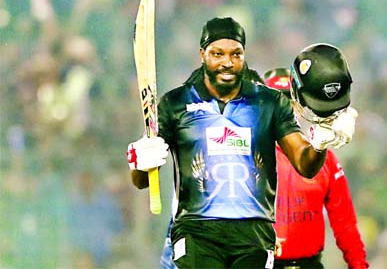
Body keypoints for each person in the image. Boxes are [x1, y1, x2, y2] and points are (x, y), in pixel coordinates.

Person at [126, 17, 355, 268]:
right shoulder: (175, 104)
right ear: (202, 54)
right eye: (217, 54)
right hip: (196, 230)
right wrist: (141, 161)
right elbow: (142, 181)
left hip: (254, 233)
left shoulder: (269, 102)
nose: (227, 62)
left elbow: (305, 164)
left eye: (236, 54)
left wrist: (320, 142)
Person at [263, 62, 368, 268]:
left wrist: (359, 265)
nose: (283, 106)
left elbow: (344, 223)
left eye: (289, 99)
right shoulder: (246, 156)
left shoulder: (323, 158)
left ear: (300, 106)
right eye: (276, 99)